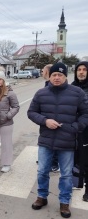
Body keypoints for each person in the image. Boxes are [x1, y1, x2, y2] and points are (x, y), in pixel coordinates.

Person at [28, 62, 88, 218]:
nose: (56, 77)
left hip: (67, 141)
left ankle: (64, 202)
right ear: (50, 76)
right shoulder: (41, 93)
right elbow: (31, 112)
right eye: (54, 74)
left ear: (65, 76)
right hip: (46, 140)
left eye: (60, 75)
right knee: (42, 171)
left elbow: (85, 114)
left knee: (66, 175)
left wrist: (75, 127)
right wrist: (45, 121)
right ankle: (42, 197)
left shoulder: (77, 93)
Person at [71, 61, 88, 202]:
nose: (81, 72)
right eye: (79, 70)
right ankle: (77, 182)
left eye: (84, 70)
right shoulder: (72, 87)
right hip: (75, 130)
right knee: (75, 159)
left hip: (87, 130)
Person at [40, 64, 60, 172]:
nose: (42, 73)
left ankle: (54, 164)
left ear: (47, 72)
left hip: (54, 119)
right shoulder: (47, 84)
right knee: (47, 141)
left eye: (43, 71)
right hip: (45, 120)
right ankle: (46, 159)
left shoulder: (52, 86)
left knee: (55, 142)